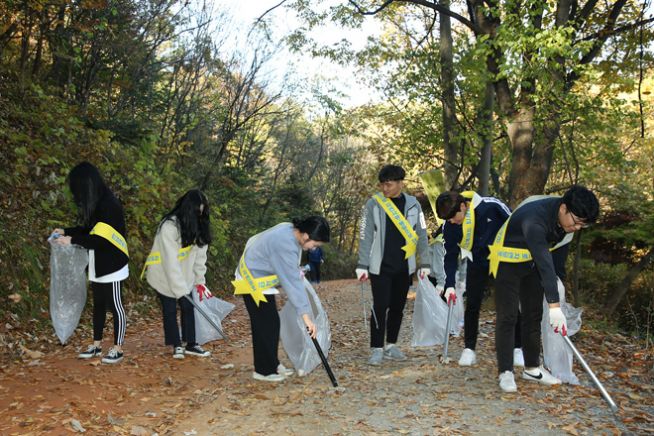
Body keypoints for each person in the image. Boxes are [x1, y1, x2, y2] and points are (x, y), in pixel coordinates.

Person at [490, 185, 599, 393]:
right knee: (508, 316)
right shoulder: (535, 220)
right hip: (507, 260)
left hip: (531, 262)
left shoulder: (567, 225)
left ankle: (532, 367)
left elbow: (555, 263)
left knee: (533, 314)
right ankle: (505, 371)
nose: (576, 228)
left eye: (582, 226)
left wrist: (558, 291)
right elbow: (544, 261)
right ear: (563, 208)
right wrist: (554, 305)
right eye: (575, 222)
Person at [233, 216, 330, 382]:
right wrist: (306, 317)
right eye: (314, 245)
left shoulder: (291, 230)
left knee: (271, 323)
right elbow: (292, 285)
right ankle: (263, 370)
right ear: (306, 236)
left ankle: (273, 363)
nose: (312, 249)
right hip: (251, 280)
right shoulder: (284, 244)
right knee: (265, 324)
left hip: (262, 278)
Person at [436, 191, 524, 367]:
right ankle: (469, 349)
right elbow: (450, 255)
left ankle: (517, 348)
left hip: (503, 259)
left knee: (510, 303)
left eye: (453, 217)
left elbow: (516, 225)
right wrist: (450, 285)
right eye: (448, 219)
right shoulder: (450, 225)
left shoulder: (490, 206)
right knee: (473, 304)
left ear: (463, 206)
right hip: (477, 261)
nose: (452, 222)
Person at [52, 162, 128, 364]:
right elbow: (88, 231)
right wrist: (66, 231)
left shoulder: (109, 205)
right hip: (97, 262)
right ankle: (96, 345)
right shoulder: (95, 203)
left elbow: (101, 241)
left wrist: (72, 240)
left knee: (115, 305)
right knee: (99, 305)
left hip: (113, 264)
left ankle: (118, 348)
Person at [356, 164, 430, 365]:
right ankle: (377, 348)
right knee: (380, 306)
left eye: (388, 185)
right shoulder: (373, 204)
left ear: (400, 183)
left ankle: (391, 345)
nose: (385, 189)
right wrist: (362, 264)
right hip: (380, 266)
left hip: (405, 266)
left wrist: (425, 262)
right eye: (382, 185)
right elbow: (365, 236)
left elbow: (422, 234)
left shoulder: (414, 205)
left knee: (398, 306)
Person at [144, 189, 212, 359]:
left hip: (184, 274)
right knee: (169, 309)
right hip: (163, 274)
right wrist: (181, 290)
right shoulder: (169, 227)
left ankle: (191, 343)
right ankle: (176, 345)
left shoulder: (199, 225)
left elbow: (199, 257)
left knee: (188, 307)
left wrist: (199, 281)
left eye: (203, 211)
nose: (200, 215)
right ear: (189, 209)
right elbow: (170, 262)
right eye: (198, 211)